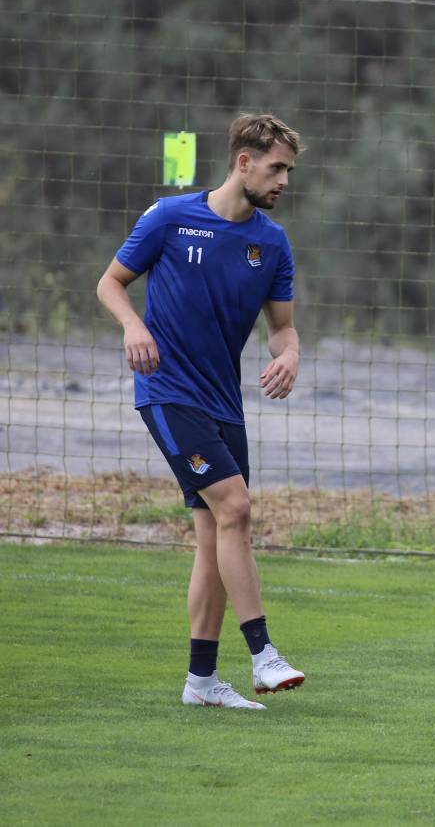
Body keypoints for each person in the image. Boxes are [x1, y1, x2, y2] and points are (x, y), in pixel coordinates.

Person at [96, 113, 308, 710]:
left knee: (217, 532)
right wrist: (133, 324)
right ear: (243, 162)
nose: (284, 180)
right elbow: (110, 283)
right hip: (167, 392)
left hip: (224, 404)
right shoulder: (169, 218)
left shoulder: (272, 243)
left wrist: (290, 355)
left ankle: (202, 682)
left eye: (289, 169)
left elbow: (283, 329)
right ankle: (263, 654)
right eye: (276, 168)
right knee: (236, 505)